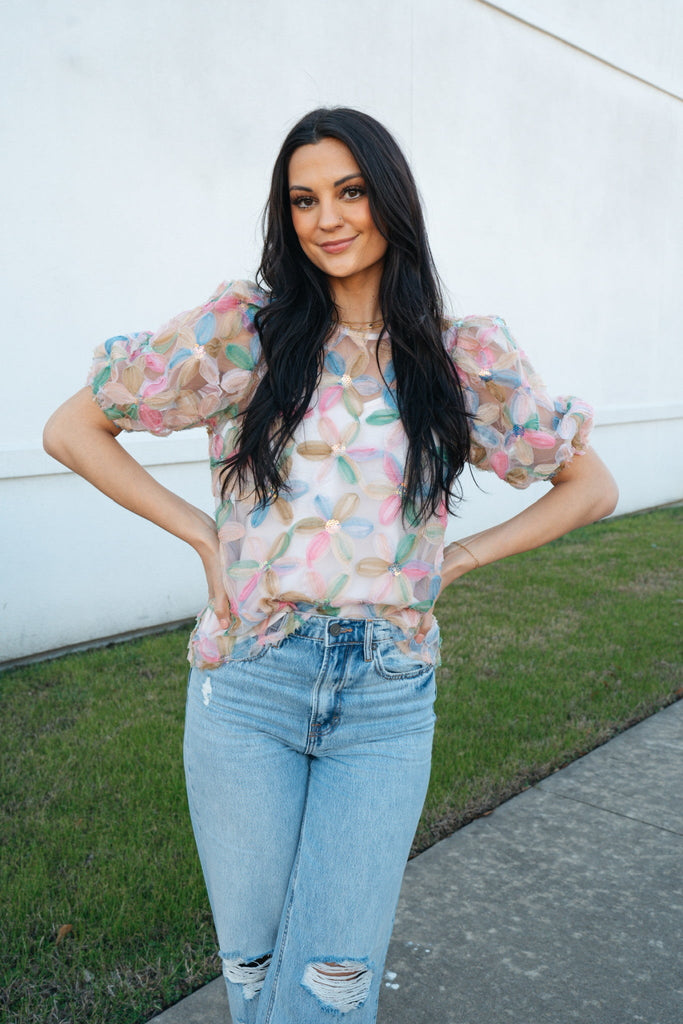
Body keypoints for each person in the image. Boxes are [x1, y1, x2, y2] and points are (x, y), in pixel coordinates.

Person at [43, 107, 618, 1024]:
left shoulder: (460, 357)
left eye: (349, 191)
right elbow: (74, 429)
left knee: (329, 984)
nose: (327, 218)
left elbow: (589, 485)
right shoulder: (246, 333)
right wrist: (204, 538)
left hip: (386, 699)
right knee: (255, 970)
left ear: (390, 198)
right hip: (249, 681)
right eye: (303, 199)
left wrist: (460, 558)